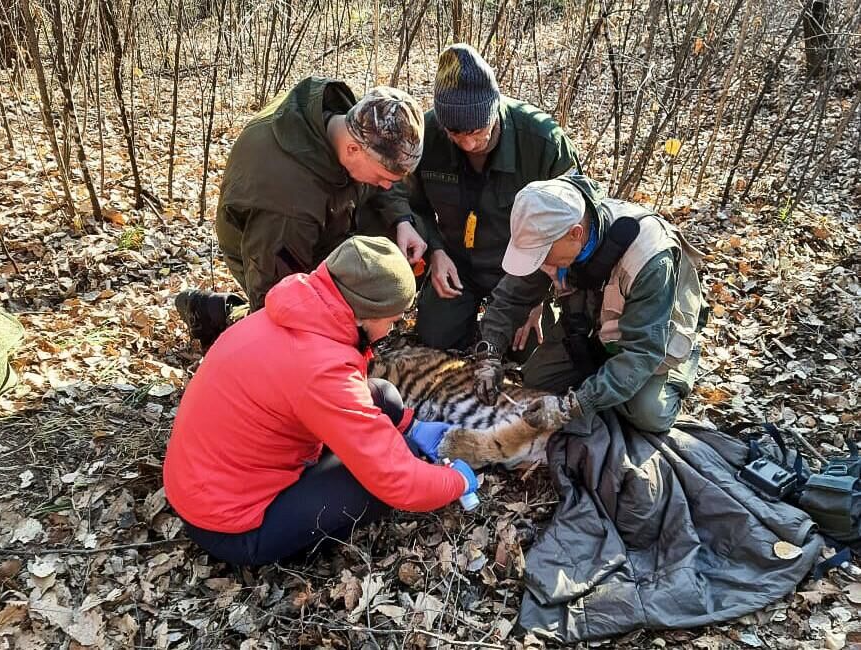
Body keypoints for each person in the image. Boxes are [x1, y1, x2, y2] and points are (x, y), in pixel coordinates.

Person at [163, 236, 478, 566]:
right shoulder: (320, 370)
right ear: (365, 315)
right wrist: (455, 481)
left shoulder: (298, 310)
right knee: (387, 474)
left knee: (383, 396)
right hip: (233, 525)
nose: (391, 329)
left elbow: (339, 393)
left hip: (203, 484)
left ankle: (405, 429)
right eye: (393, 319)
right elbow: (398, 482)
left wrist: (407, 424)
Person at [176, 77, 428, 348]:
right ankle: (218, 314)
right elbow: (274, 296)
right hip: (266, 245)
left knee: (405, 242)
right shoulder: (285, 201)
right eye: (382, 177)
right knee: (300, 325)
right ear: (353, 149)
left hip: (330, 216)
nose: (387, 186)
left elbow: (384, 186)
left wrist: (402, 220)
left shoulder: (353, 124)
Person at [472, 174, 705, 434]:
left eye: (543, 256)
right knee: (537, 382)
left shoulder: (649, 259)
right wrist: (489, 355)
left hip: (652, 336)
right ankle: (602, 375)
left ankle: (681, 367)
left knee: (649, 414)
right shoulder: (550, 235)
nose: (540, 265)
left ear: (576, 233)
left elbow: (642, 352)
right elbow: (510, 297)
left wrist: (573, 405)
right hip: (591, 323)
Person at [408, 43, 582, 353]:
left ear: (494, 111)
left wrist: (539, 295)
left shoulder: (543, 142)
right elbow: (412, 205)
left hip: (521, 271)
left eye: (478, 130)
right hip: (456, 263)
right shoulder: (429, 135)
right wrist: (434, 251)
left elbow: (574, 224)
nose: (468, 143)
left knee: (530, 348)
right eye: (455, 134)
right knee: (435, 338)